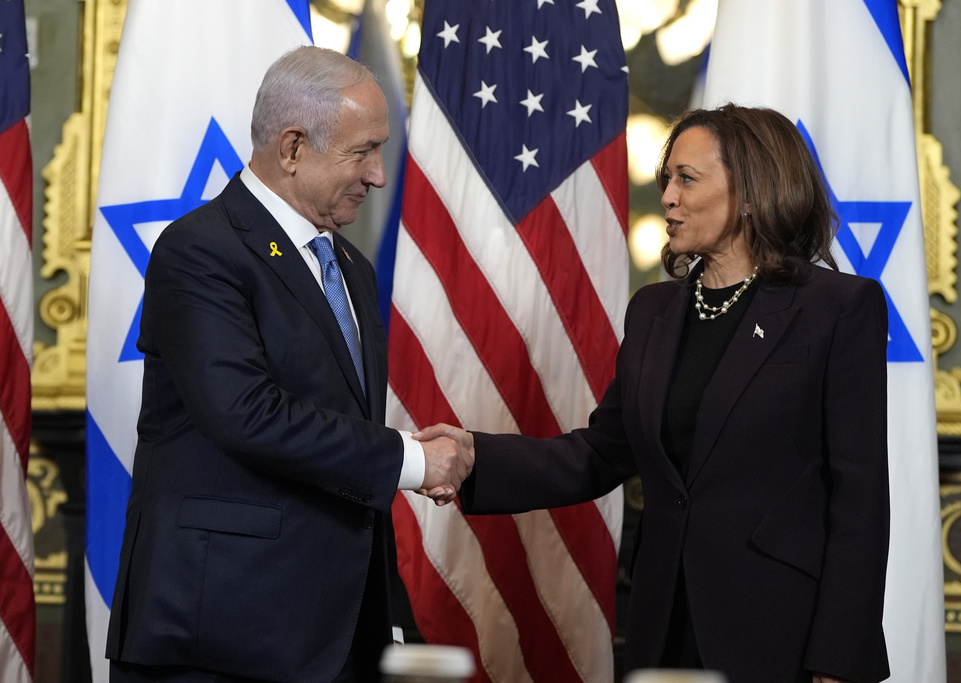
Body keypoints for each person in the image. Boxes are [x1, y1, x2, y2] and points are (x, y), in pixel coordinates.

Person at [417, 104, 890, 683]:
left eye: (686, 179)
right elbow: (599, 452)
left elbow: (860, 498)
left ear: (751, 191)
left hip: (780, 630)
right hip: (664, 620)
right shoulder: (654, 312)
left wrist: (838, 657)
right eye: (667, 178)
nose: (666, 196)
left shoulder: (837, 308)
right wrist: (473, 457)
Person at [105, 46, 473, 683]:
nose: (380, 176)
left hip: (336, 634)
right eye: (363, 152)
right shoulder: (200, 249)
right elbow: (245, 414)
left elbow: (336, 436)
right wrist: (411, 460)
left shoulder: (350, 270)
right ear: (293, 147)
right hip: (220, 633)